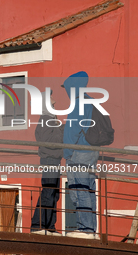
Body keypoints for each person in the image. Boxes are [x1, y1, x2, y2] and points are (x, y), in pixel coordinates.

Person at [62, 71, 99, 240]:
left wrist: (67, 153)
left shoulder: (78, 104)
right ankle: (90, 228)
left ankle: (85, 229)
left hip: (79, 153)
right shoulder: (92, 102)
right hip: (92, 153)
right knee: (89, 190)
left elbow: (72, 131)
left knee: (79, 191)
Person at [31, 90, 64, 236]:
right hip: (50, 159)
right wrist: (63, 132)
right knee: (48, 192)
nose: (55, 102)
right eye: (51, 100)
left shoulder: (50, 119)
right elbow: (48, 141)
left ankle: (49, 226)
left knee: (54, 194)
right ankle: (38, 226)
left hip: (54, 159)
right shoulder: (46, 119)